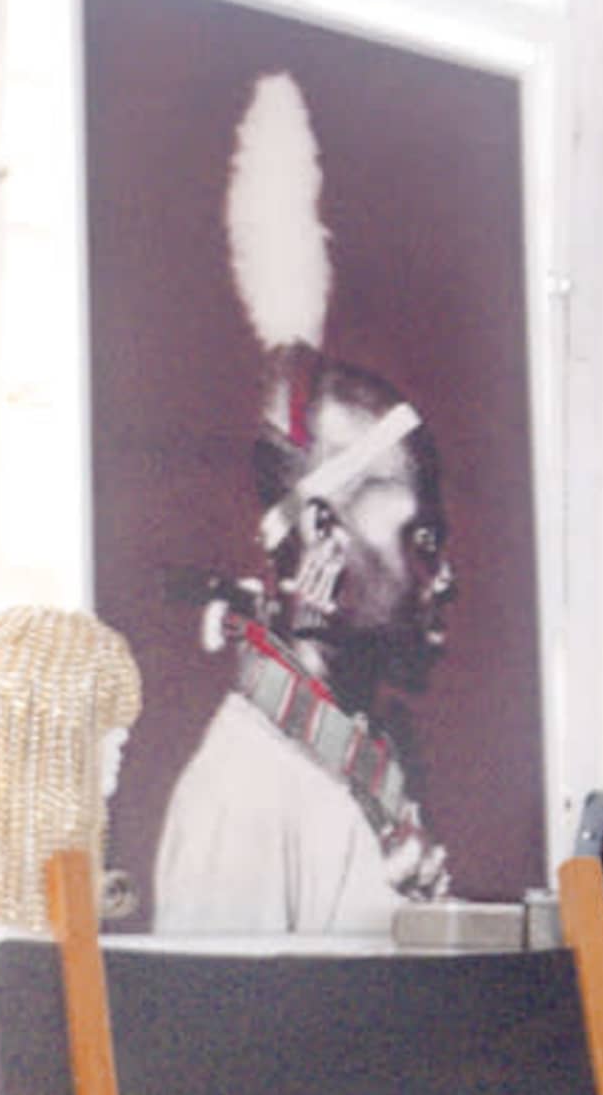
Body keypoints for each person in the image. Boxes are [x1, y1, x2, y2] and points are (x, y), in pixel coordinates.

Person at [154, 354, 458, 931]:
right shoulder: (243, 796)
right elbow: (209, 1022)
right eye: (423, 538)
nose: (446, 577)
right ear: (323, 532)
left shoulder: (352, 769)